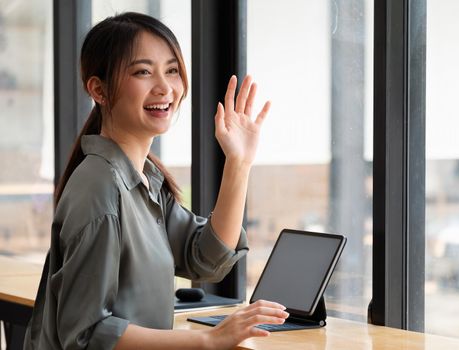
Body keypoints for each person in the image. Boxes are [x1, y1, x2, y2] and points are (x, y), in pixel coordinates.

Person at [24, 12, 288, 350]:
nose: (165, 88)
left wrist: (238, 162)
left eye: (172, 70)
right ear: (99, 90)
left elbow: (205, 258)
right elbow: (86, 336)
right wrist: (207, 339)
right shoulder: (100, 187)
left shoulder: (143, 179)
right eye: (143, 72)